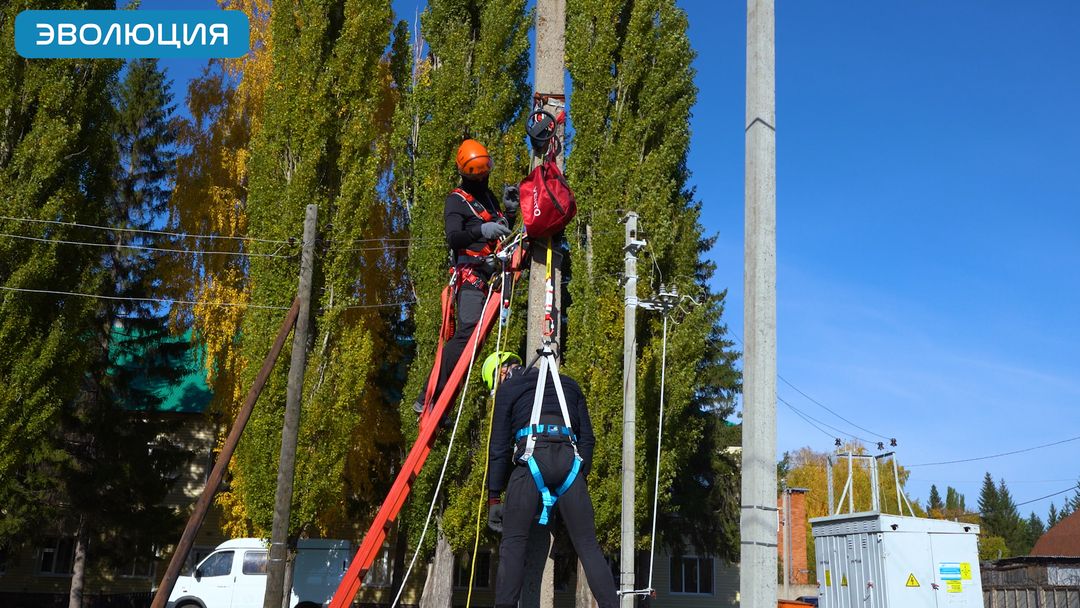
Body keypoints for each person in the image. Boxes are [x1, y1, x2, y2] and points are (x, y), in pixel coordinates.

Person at [484, 351, 618, 608]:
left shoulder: (510, 387)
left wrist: (494, 497)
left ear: (501, 372)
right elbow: (587, 439)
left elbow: (499, 447)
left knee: (513, 544)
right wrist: (577, 477)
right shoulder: (569, 385)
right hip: (570, 463)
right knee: (589, 546)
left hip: (531, 460)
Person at [413, 139, 519, 417]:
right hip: (471, 275)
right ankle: (430, 397)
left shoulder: (489, 198)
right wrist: (480, 231)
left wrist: (509, 212)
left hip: (492, 274)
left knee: (475, 344)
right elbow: (453, 237)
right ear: (467, 174)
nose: (485, 178)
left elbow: (502, 235)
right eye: (479, 175)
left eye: (487, 173)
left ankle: (443, 404)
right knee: (468, 334)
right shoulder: (457, 200)